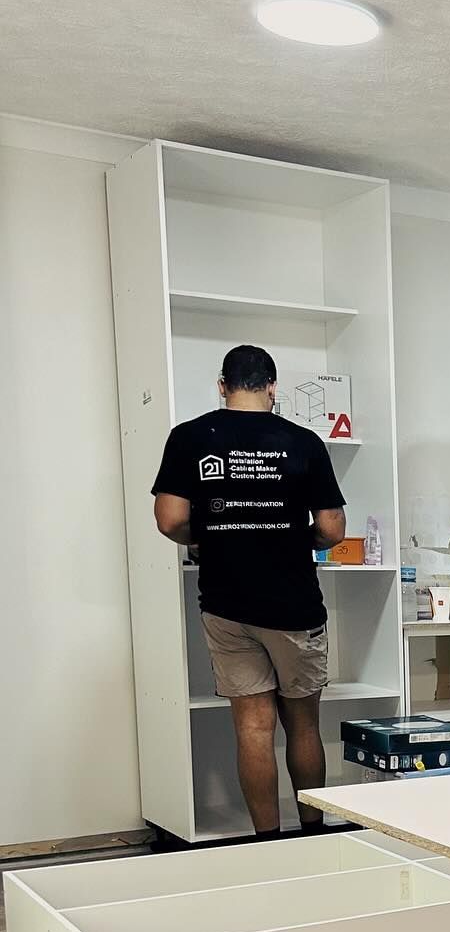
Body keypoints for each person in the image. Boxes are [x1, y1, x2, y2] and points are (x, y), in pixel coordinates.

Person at [152, 344, 347, 839]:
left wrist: (210, 536)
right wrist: (291, 538)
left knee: (253, 727)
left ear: (222, 385)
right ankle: (312, 832)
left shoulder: (189, 437)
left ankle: (265, 842)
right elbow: (331, 528)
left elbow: (170, 519)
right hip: (293, 604)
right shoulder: (303, 441)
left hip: (226, 604)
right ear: (273, 387)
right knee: (303, 725)